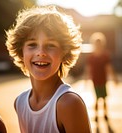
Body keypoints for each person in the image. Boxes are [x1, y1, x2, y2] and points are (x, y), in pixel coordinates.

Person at [5, 5, 91, 133]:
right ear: (21, 51)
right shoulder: (20, 102)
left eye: (50, 45)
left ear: (64, 52)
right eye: (32, 45)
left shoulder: (69, 103)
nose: (41, 52)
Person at [85, 32, 118, 128]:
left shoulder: (105, 56)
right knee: (96, 98)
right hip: (95, 80)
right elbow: (88, 69)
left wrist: (114, 78)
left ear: (102, 44)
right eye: (96, 43)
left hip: (103, 80)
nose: (98, 45)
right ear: (94, 44)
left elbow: (109, 68)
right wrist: (87, 79)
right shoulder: (91, 57)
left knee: (104, 99)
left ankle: (105, 114)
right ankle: (96, 116)